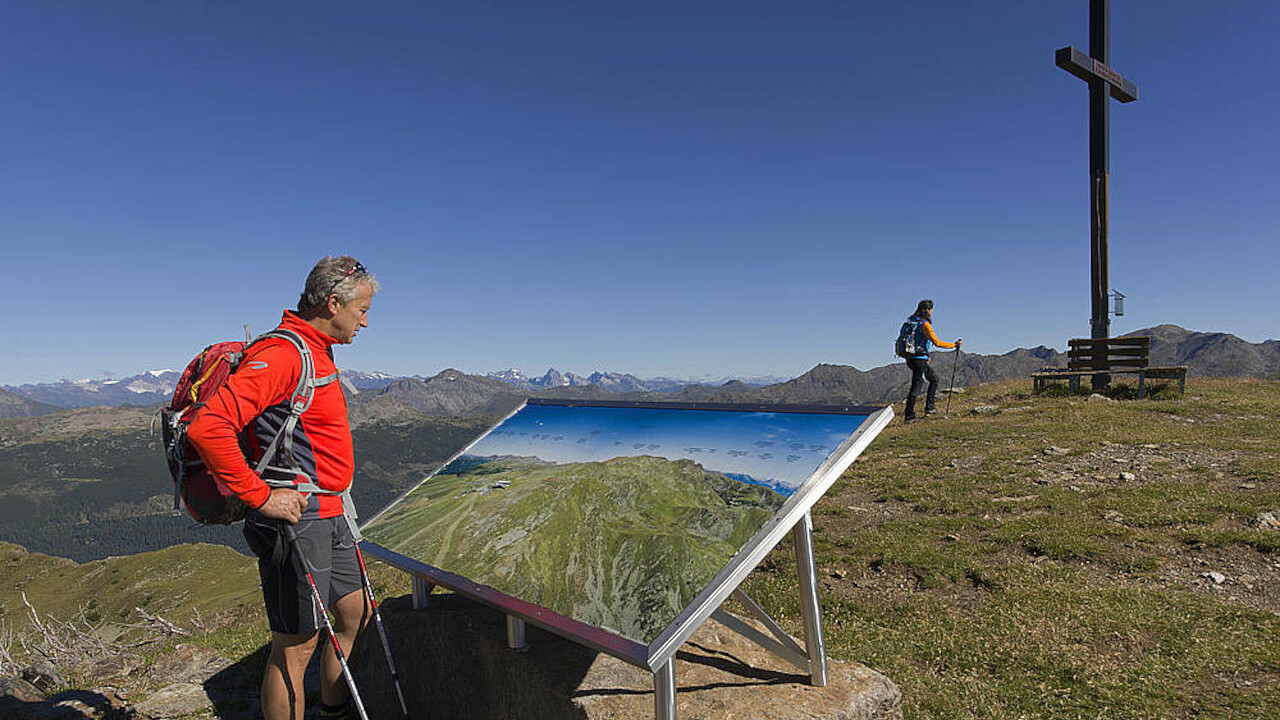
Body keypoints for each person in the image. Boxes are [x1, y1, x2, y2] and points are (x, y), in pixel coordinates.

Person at [188, 256, 378, 720]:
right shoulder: (283, 355)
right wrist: (261, 497)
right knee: (297, 644)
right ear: (333, 303)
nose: (366, 321)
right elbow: (207, 427)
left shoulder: (317, 348)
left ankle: (333, 711)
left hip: (331, 511)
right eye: (362, 310)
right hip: (296, 519)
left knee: (356, 616)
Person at [902, 299, 961, 422]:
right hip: (920, 359)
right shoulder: (924, 325)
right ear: (927, 310)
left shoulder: (911, 322)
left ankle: (929, 408)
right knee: (917, 386)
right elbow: (937, 342)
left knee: (933, 379)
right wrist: (954, 345)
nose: (932, 312)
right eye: (931, 309)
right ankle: (910, 416)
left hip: (911, 358)